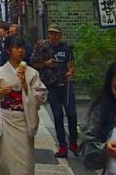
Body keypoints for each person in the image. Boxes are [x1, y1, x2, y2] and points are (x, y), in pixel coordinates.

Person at [0, 35, 47, 175]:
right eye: (17, 47)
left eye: (22, 47)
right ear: (8, 50)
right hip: (5, 120)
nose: (21, 51)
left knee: (25, 161)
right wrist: (0, 93)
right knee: (5, 160)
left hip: (24, 120)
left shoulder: (32, 73)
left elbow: (42, 96)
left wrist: (25, 85)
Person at [31, 25, 78, 157]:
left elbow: (72, 64)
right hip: (51, 86)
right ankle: (62, 146)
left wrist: (70, 72)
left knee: (72, 115)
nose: (54, 36)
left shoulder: (66, 48)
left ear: (60, 35)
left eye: (56, 34)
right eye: (51, 33)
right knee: (57, 116)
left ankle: (73, 143)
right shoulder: (42, 47)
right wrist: (45, 64)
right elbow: (33, 63)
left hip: (66, 85)